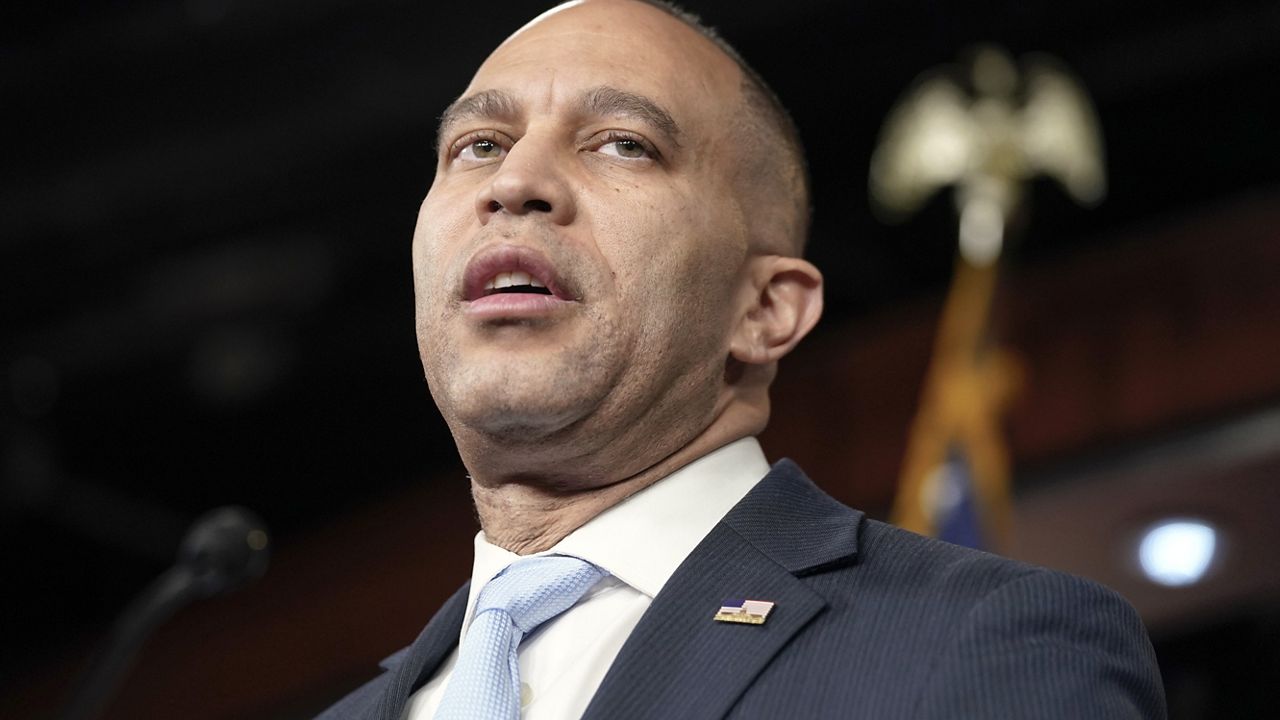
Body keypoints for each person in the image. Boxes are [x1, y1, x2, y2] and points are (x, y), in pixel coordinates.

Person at [318, 1, 1166, 718]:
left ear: (765, 309)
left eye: (623, 143)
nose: (516, 182)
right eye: (478, 146)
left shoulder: (982, 643)